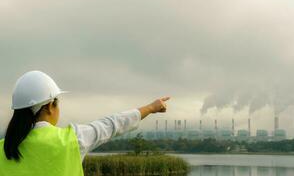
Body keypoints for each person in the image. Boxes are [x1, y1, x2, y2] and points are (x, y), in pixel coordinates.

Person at [0, 70, 170, 176]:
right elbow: (112, 125)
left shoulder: (2, 148)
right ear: (50, 106)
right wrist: (150, 108)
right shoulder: (71, 140)